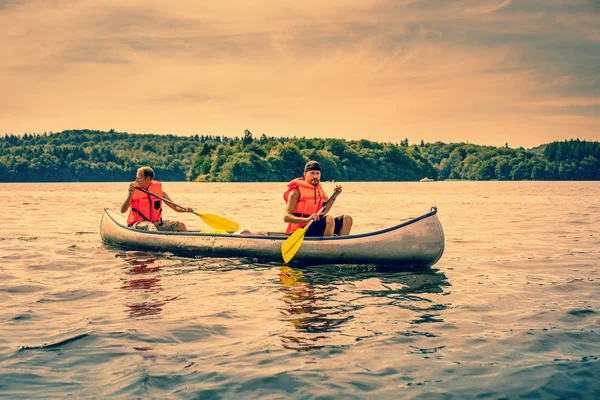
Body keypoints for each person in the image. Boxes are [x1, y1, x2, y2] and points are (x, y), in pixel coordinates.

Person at [283, 160, 353, 237]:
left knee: (347, 219)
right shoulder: (296, 192)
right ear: (305, 174)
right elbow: (286, 217)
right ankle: (328, 247)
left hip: (315, 226)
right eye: (312, 173)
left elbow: (323, 212)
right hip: (300, 230)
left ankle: (339, 245)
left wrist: (335, 195)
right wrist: (307, 219)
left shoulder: (320, 191)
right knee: (329, 219)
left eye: (317, 173)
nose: (315, 176)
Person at [121, 166, 193, 232]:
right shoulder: (133, 191)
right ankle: (160, 244)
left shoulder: (159, 192)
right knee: (150, 227)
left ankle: (190, 244)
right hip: (138, 224)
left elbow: (175, 207)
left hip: (155, 223)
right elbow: (123, 210)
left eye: (139, 178)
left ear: (147, 179)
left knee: (180, 225)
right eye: (136, 178)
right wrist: (130, 195)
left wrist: (185, 209)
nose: (136, 181)